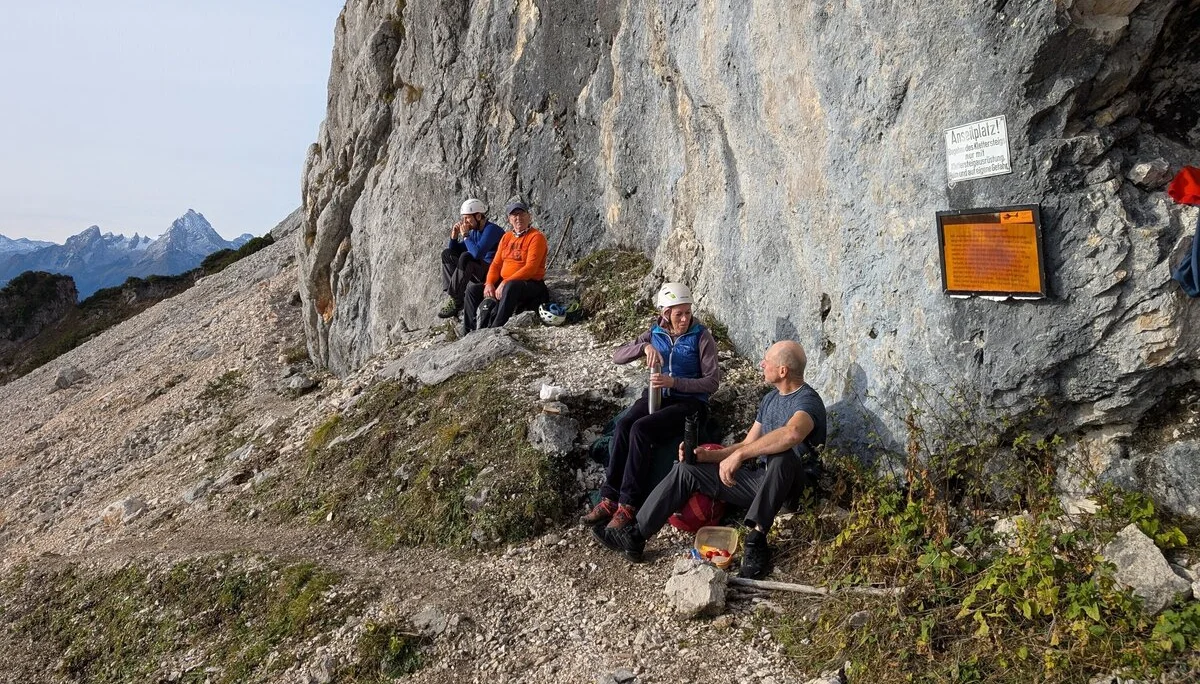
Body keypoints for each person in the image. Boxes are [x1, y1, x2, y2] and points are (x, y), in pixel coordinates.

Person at [592, 340, 826, 580]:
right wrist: (709, 456)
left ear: (783, 371)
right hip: (762, 481)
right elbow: (747, 444)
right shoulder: (770, 400)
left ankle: (756, 540)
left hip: (796, 487)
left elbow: (792, 433)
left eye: (767, 361)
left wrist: (740, 456)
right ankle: (636, 535)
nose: (761, 364)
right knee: (688, 469)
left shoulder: (807, 401)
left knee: (782, 455)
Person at [579, 282, 720, 531]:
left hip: (689, 403)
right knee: (623, 426)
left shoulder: (701, 337)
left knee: (641, 429)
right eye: (679, 314)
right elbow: (618, 356)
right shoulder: (655, 333)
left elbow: (712, 382)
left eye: (687, 312)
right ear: (665, 313)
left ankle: (628, 505)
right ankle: (609, 498)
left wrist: (674, 382)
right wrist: (644, 347)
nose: (685, 318)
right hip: (657, 394)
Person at [463, 201, 549, 332]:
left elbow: (530, 268)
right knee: (472, 289)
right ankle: (468, 331)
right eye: (514, 215)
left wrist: (505, 282)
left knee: (511, 286)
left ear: (529, 216)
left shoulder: (536, 237)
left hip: (530, 283)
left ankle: (494, 329)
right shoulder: (506, 237)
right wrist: (490, 283)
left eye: (521, 214)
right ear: (509, 219)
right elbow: (496, 264)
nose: (518, 218)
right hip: (507, 282)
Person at [438, 198, 504, 318]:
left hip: (492, 272)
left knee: (466, 256)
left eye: (467, 218)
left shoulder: (491, 230)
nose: (465, 222)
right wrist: (453, 238)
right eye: (463, 218)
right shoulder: (474, 231)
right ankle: (455, 298)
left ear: (478, 216)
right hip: (481, 269)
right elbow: (455, 251)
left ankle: (456, 299)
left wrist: (466, 236)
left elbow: (477, 253)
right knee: (447, 254)